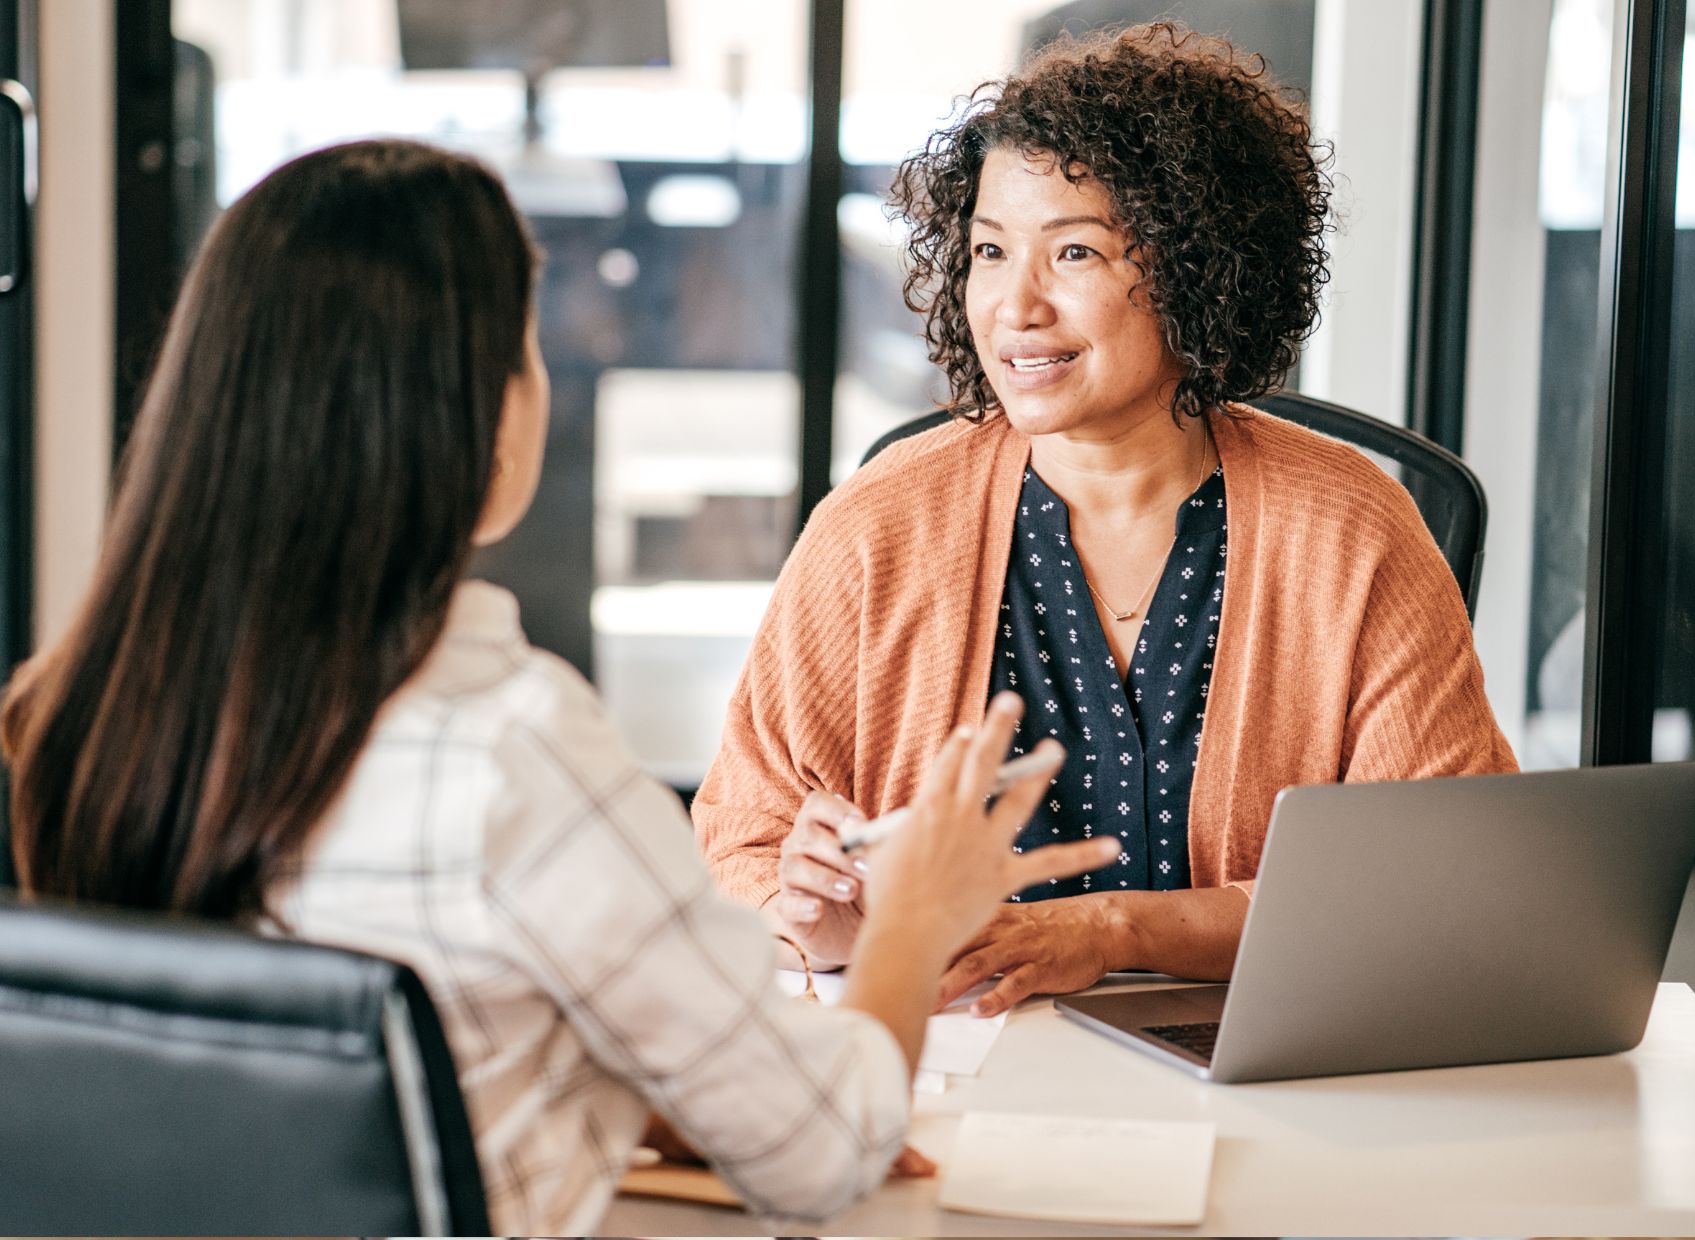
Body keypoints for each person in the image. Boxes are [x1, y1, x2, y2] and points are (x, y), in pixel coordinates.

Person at [0, 140, 1116, 1234]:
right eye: (527, 348)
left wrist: (643, 1094)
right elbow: (824, 1151)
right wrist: (912, 920)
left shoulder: (78, 714)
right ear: (476, 417)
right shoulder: (509, 750)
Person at [695, 23, 1516, 1017]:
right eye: (989, 251)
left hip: (1254, 1058)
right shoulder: (875, 525)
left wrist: (1118, 930)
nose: (1014, 305)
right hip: (944, 1050)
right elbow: (743, 838)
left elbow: (1431, 881)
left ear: (1193, 265)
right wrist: (815, 917)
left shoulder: (1350, 527)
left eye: (1072, 250)